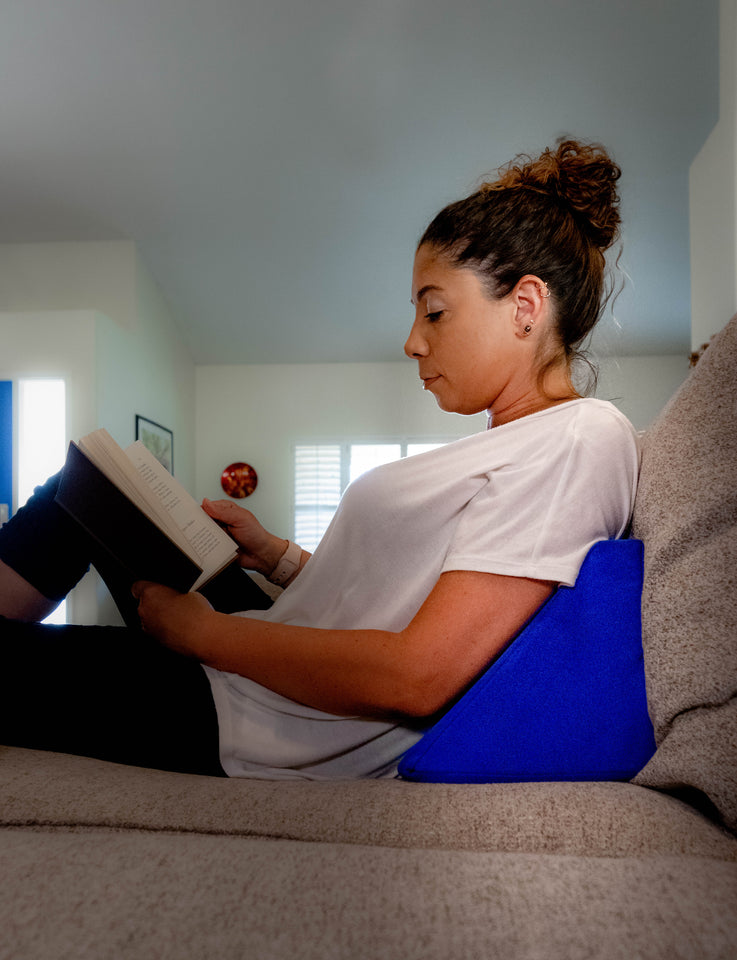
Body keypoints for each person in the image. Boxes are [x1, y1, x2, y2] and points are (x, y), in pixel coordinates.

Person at [0, 138, 640, 780]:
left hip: (257, 718)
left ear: (525, 307)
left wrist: (202, 637)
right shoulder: (522, 442)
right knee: (81, 487)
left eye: (435, 311)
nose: (413, 341)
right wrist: (276, 556)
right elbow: (392, 598)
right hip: (261, 649)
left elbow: (417, 677)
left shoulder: (581, 438)